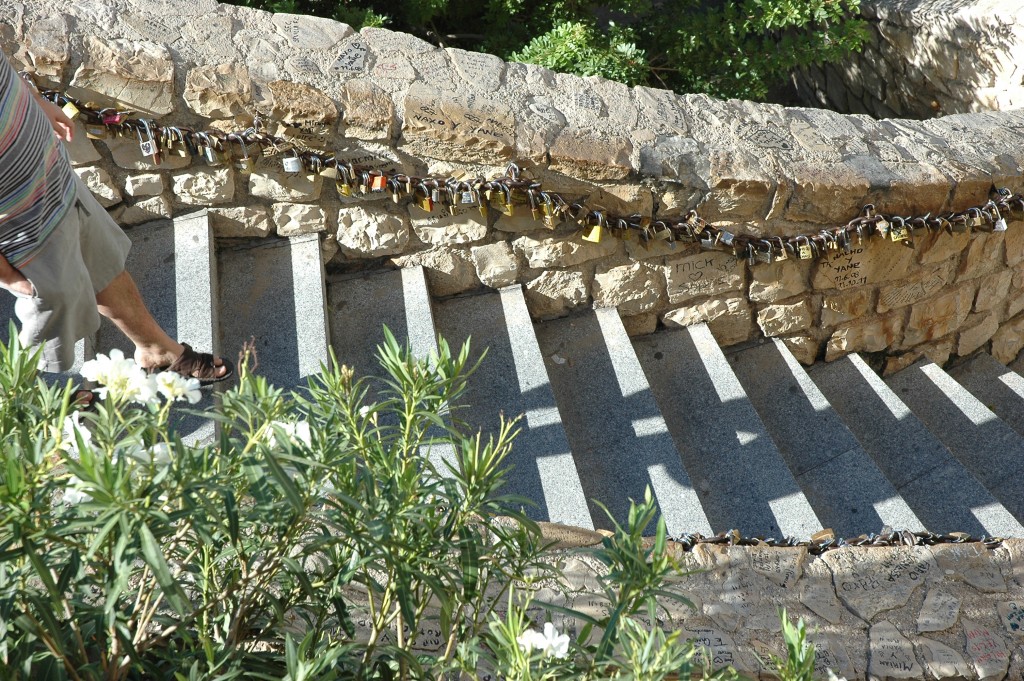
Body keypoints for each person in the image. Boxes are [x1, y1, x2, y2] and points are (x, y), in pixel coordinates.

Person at [0, 51, 231, 398]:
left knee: (105, 267)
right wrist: (7, 276)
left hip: (55, 179)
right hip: (22, 231)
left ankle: (157, 352)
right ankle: (44, 413)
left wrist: (33, 100)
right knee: (43, 333)